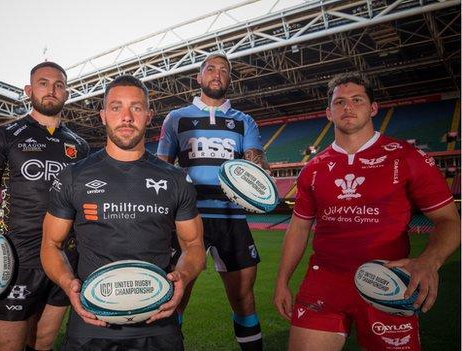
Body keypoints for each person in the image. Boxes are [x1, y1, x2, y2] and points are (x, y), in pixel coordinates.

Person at [273, 72, 461, 351]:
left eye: (357, 100)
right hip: (324, 282)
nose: (348, 107)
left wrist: (428, 261)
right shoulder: (313, 168)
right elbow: (299, 228)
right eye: (339, 102)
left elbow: (449, 221)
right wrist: (282, 281)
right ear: (328, 112)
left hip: (388, 284)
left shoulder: (407, 157)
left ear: (373, 108)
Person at [41, 75, 206, 350]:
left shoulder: (176, 179)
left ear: (149, 116)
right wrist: (67, 281)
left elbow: (194, 245)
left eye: (136, 108)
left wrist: (184, 277)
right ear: (103, 116)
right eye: (116, 107)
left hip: (158, 324)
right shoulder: (73, 176)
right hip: (91, 325)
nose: (127, 117)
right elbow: (50, 245)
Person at [0, 61, 90, 351]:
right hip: (17, 257)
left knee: (43, 340)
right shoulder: (5, 135)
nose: (51, 90)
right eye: (43, 83)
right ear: (29, 90)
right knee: (8, 345)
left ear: (67, 93)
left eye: (59, 85)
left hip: (67, 256)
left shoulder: (80, 146)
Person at [156, 52, 268, 351]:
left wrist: (257, 174)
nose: (216, 73)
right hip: (188, 219)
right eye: (210, 68)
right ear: (199, 77)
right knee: (175, 297)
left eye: (223, 70)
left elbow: (257, 166)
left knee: (244, 299)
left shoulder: (244, 121)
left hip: (232, 218)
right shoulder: (176, 118)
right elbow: (161, 167)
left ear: (229, 79)